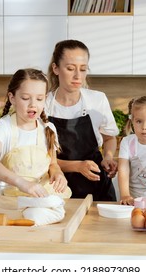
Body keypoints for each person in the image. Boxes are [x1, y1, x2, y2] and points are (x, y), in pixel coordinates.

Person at [45, 39, 119, 201]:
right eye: (70, 68)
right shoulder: (43, 105)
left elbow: (109, 138)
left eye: (83, 69)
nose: (78, 76)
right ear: (56, 68)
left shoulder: (97, 100)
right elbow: (40, 159)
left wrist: (108, 157)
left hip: (97, 185)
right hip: (58, 186)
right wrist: (77, 166)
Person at [0, 68, 71, 198]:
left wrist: (58, 173)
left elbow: (53, 164)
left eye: (39, 99)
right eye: (25, 98)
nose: (32, 104)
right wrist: (21, 183)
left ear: (45, 99)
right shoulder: (3, 127)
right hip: (13, 200)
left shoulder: (48, 128)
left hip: (45, 197)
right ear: (12, 98)